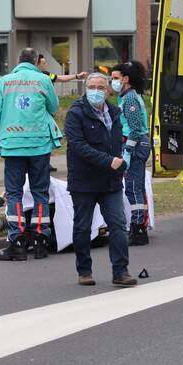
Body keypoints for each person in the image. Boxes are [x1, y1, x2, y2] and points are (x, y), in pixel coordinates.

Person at [0, 47, 62, 262]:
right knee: (40, 193)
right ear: (36, 62)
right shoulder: (43, 80)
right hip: (39, 145)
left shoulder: (4, 82)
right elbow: (53, 107)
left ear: (18, 61)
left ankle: (17, 242)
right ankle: (40, 241)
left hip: (12, 145)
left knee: (14, 194)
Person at [65, 72, 136, 287]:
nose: (96, 91)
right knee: (83, 227)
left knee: (118, 225)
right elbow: (78, 146)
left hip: (110, 181)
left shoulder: (114, 112)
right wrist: (108, 161)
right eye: (92, 87)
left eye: (100, 87)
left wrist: (123, 159)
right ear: (86, 89)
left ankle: (121, 272)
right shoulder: (75, 113)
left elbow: (120, 141)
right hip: (83, 181)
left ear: (107, 91)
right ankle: (84, 271)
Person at [111, 61, 151, 246]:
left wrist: (127, 150)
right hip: (137, 144)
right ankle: (140, 226)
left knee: (133, 188)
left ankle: (138, 229)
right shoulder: (128, 97)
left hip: (135, 145)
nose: (113, 81)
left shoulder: (129, 99)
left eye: (115, 78)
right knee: (137, 187)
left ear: (126, 79)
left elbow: (135, 128)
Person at [37, 54, 85, 173]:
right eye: (43, 63)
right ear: (37, 64)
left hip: (47, 111)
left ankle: (45, 162)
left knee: (47, 137)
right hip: (37, 113)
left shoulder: (46, 75)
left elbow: (60, 78)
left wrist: (76, 76)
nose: (46, 64)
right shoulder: (34, 77)